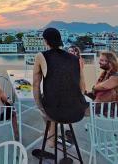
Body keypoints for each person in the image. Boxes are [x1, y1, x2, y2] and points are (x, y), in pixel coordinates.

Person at [32, 28, 87, 158]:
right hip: (77, 111)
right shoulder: (74, 58)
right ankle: (53, 137)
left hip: (56, 111)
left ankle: (51, 139)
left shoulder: (41, 56)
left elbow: (35, 84)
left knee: (45, 107)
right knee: (57, 99)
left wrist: (39, 105)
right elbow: (81, 87)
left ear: (45, 41)